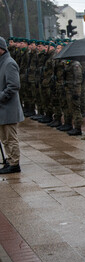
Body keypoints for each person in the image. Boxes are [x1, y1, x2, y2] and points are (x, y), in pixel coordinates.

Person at [0, 36, 24, 174]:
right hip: (3, 108)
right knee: (4, 138)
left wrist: (1, 96)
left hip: (8, 107)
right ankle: (9, 160)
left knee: (10, 137)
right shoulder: (2, 62)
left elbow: (14, 85)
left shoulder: (9, 63)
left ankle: (14, 163)